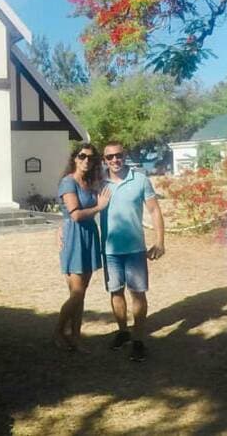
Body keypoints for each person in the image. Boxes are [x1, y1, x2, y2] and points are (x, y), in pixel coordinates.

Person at [100, 141, 165, 362]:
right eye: (110, 157)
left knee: (138, 293)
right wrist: (61, 228)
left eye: (118, 155)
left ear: (124, 156)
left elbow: (155, 210)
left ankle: (138, 340)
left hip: (135, 249)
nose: (115, 160)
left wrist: (160, 241)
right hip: (109, 250)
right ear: (104, 160)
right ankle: (122, 332)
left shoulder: (140, 180)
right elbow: (76, 205)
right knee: (115, 292)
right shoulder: (99, 183)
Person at [55, 143, 111, 352]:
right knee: (77, 293)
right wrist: (99, 207)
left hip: (88, 237)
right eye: (82, 156)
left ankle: (75, 337)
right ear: (75, 158)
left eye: (91, 158)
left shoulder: (89, 182)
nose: (86, 160)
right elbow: (75, 214)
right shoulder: (68, 182)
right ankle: (58, 332)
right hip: (74, 238)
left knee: (81, 292)